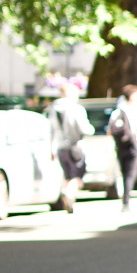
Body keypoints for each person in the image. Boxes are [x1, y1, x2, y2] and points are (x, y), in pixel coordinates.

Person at [45, 82, 94, 213]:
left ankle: (67, 193)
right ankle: (69, 193)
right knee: (77, 176)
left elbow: (50, 131)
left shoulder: (52, 110)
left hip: (60, 147)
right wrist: (91, 130)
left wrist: (51, 149)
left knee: (67, 175)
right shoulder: (76, 108)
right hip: (75, 146)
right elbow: (84, 128)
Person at [107, 84, 137, 212]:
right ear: (132, 96)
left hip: (121, 146)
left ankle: (125, 197)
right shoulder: (135, 111)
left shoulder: (118, 110)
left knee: (124, 172)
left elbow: (110, 130)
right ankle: (126, 200)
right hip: (133, 145)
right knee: (130, 173)